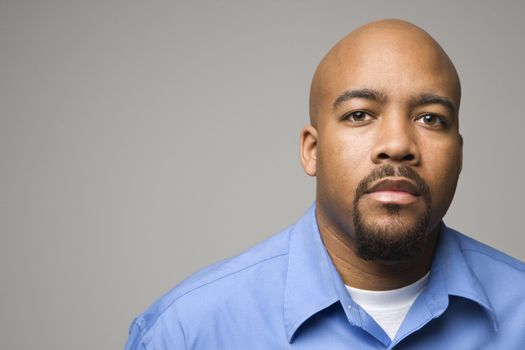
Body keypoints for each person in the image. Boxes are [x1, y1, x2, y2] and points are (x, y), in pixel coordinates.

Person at [124, 19, 525, 349]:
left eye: (430, 118)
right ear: (312, 150)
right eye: (359, 115)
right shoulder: (186, 333)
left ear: (459, 154)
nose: (398, 145)